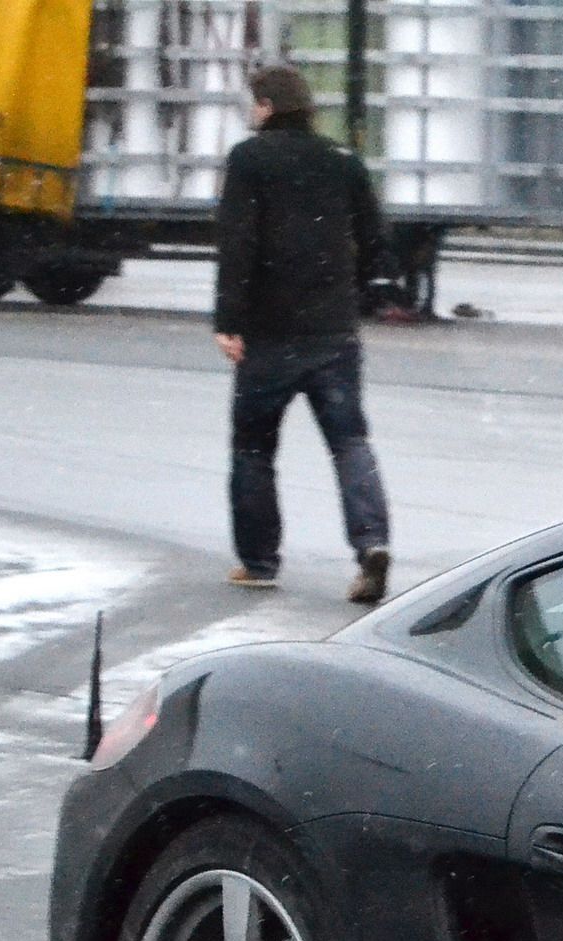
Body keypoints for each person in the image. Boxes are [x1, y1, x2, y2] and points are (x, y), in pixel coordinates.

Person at [213, 66, 392, 603]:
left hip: (269, 335)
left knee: (253, 447)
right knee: (349, 442)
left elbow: (237, 244)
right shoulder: (342, 162)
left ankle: (259, 560)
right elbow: (375, 240)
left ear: (266, 106)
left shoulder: (249, 160)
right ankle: (372, 544)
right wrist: (346, 295)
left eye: (253, 104)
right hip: (333, 333)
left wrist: (228, 320)